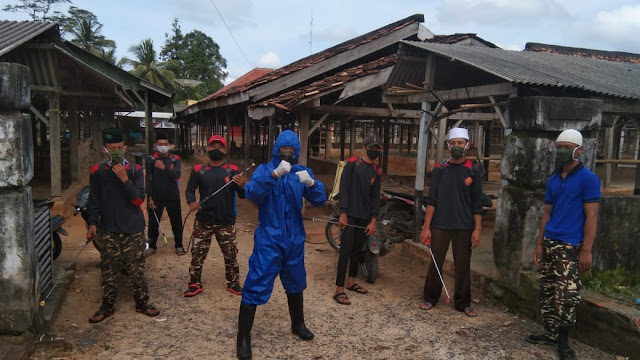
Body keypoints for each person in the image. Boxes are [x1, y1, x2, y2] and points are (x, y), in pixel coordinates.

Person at [236, 130, 326, 360]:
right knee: (256, 282)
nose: (288, 153)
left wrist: (312, 183)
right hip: (269, 238)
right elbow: (252, 193)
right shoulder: (265, 171)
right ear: (276, 149)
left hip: (294, 238)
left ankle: (298, 324)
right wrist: (274, 176)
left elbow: (320, 200)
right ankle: (243, 338)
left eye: (293, 150)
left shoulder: (300, 172)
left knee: (296, 283)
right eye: (285, 150)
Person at [527, 129, 600, 360]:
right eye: (560, 147)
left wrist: (586, 249)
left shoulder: (588, 179)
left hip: (570, 245)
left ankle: (563, 341)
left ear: (579, 150)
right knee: (547, 291)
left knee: (567, 295)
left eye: (568, 147)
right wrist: (539, 244)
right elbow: (546, 213)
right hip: (550, 242)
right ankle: (549, 333)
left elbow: (592, 216)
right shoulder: (553, 178)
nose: (563, 151)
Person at [86, 128, 159, 323]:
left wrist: (124, 179)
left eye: (119, 147)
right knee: (109, 270)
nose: (116, 151)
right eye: (112, 148)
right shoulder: (98, 171)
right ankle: (107, 306)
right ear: (105, 150)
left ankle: (142, 302)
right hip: (108, 229)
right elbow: (93, 200)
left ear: (125, 148)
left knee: (135, 270)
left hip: (132, 228)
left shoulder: (135, 170)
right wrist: (92, 222)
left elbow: (138, 200)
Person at [419, 127, 483, 317]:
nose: (456, 146)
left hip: (464, 226)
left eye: (460, 143)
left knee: (463, 264)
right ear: (448, 145)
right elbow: (432, 200)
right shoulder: (440, 170)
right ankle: (430, 297)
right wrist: (426, 227)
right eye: (453, 143)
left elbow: (477, 204)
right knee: (436, 262)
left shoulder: (473, 170)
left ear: (467, 145)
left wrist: (477, 229)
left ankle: (463, 302)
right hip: (440, 224)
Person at [184, 135, 246, 297]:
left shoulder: (233, 171)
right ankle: (194, 283)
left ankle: (233, 282)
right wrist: (191, 201)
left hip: (226, 221)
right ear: (208, 148)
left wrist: (242, 185)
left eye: (220, 147)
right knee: (197, 254)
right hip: (203, 220)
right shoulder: (199, 170)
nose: (216, 149)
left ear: (225, 150)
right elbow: (190, 189)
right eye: (213, 146)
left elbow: (242, 195)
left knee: (231, 254)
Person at [332, 134, 382, 305]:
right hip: (350, 214)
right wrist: (343, 213)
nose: (374, 150)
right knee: (345, 250)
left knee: (357, 250)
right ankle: (339, 288)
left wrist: (373, 219)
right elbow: (344, 189)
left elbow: (375, 197)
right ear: (365, 148)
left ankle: (351, 281)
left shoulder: (377, 171)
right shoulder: (352, 164)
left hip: (365, 216)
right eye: (372, 147)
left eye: (377, 148)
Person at [146, 132, 185, 257]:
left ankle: (179, 245)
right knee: (153, 222)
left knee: (176, 221)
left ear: (169, 145)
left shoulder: (176, 159)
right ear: (156, 145)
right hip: (156, 196)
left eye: (165, 144)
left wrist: (164, 168)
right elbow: (148, 179)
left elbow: (176, 176)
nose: (163, 146)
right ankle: (152, 246)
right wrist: (149, 197)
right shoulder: (151, 159)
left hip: (172, 195)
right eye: (160, 144)